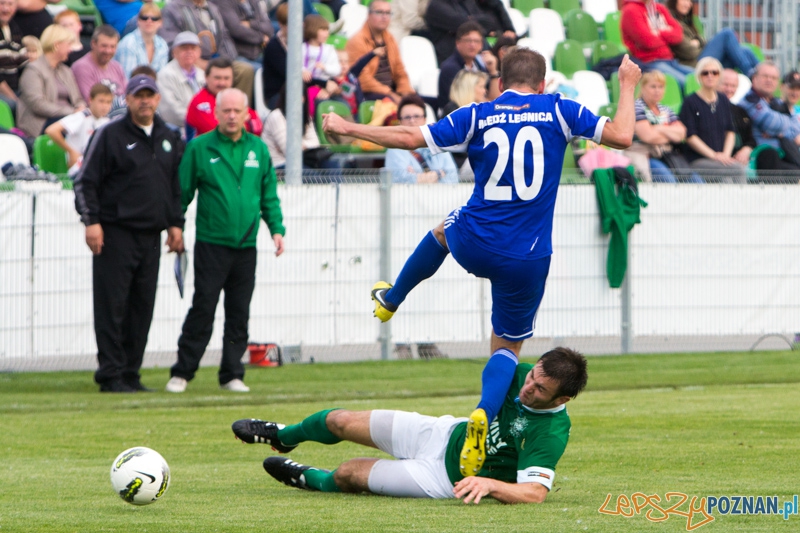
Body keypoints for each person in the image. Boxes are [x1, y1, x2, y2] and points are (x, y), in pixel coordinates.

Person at [322, 48, 640, 477]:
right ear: (542, 83)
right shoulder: (561, 110)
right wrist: (627, 83)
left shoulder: (478, 114)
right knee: (506, 347)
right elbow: (622, 135)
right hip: (526, 256)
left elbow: (410, 138)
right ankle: (484, 415)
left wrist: (346, 125)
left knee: (441, 232)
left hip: (475, 238)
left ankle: (392, 299)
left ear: (500, 82)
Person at [231, 347, 588, 503]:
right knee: (338, 420)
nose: (528, 387)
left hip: (445, 479)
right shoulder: (527, 374)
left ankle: (308, 478)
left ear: (562, 400)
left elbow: (534, 494)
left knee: (348, 474)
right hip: (442, 432)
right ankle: (283, 436)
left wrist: (489, 484)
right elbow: (501, 357)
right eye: (532, 376)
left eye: (540, 389)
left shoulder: (550, 433)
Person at [165, 88, 285, 394]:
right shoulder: (199, 148)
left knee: (239, 311)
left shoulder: (258, 148)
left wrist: (277, 229)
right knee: (203, 308)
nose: (231, 116)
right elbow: (182, 192)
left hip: (246, 246)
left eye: (237, 111)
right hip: (211, 243)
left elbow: (268, 195)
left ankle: (232, 373)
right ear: (216, 113)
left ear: (247, 114)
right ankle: (182, 372)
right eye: (226, 111)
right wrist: (174, 227)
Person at [73, 74, 185, 393]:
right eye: (139, 96)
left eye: (150, 95)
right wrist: (91, 221)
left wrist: (176, 224)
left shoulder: (169, 136)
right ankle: (111, 373)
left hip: (151, 235)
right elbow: (86, 182)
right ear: (128, 99)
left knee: (141, 307)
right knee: (112, 305)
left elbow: (175, 187)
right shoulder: (109, 134)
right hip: (115, 232)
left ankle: (131, 372)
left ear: (158, 99)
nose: (145, 101)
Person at [159, 0, 255, 99]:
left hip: (217, 60)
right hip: (191, 62)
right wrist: (197, 62)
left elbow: (224, 38)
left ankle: (235, 108)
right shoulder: (172, 8)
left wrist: (224, 61)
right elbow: (171, 43)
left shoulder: (213, 8)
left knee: (245, 70)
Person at [678, 57, 747, 183]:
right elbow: (690, 137)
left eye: (714, 72)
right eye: (705, 73)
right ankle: (741, 202)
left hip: (720, 158)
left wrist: (725, 155)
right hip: (698, 159)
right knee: (738, 170)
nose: (710, 76)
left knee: (729, 177)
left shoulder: (723, 99)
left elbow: (730, 131)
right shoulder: (690, 102)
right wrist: (715, 156)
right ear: (699, 76)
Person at [628, 70, 701, 183]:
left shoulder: (665, 109)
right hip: (647, 156)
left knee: (696, 181)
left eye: (660, 87)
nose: (657, 91)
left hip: (667, 155)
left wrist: (658, 128)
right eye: (653, 87)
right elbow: (647, 137)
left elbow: (681, 134)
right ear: (643, 88)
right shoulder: (637, 107)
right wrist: (669, 132)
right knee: (669, 182)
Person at [16, 24, 86, 138]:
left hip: (69, 118)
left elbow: (77, 98)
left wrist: (81, 109)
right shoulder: (33, 70)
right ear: (57, 45)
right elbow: (38, 104)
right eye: (68, 44)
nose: (70, 49)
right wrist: (71, 112)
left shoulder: (66, 71)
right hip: (42, 123)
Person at [738, 62, 800, 181]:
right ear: (754, 78)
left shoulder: (775, 102)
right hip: (759, 156)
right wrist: (781, 130)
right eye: (765, 76)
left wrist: (777, 132)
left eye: (773, 78)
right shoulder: (749, 100)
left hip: (782, 153)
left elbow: (796, 128)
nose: (769, 80)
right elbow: (771, 122)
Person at [344, 0, 414, 104]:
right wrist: (390, 94)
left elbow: (400, 71)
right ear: (368, 15)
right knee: (393, 103)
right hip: (369, 93)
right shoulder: (357, 41)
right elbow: (362, 79)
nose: (384, 17)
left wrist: (406, 92)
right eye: (379, 12)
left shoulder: (390, 38)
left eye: (388, 13)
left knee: (418, 102)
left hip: (390, 90)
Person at [666, 0, 758, 75]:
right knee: (727, 33)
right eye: (684, 0)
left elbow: (703, 41)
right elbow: (690, 52)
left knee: (745, 50)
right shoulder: (670, 22)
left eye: (690, 1)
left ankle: (762, 75)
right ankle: (750, 74)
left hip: (700, 57)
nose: (688, 4)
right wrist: (699, 44)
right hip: (693, 65)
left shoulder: (687, 21)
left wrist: (697, 42)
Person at [620, 0, 694, 88]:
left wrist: (658, 33)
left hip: (670, 61)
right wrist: (667, 32)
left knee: (700, 77)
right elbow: (648, 41)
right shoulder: (630, 10)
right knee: (687, 83)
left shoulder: (659, 8)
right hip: (650, 63)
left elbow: (678, 35)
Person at [44, 82, 113, 176]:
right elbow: (51, 130)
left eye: (108, 102)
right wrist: (71, 151)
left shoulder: (107, 121)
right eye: (101, 101)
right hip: (79, 169)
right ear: (90, 100)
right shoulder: (81, 116)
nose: (105, 106)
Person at [185, 57, 262, 138]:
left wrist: (237, 127)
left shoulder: (234, 98)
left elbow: (258, 126)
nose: (222, 83)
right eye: (217, 78)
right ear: (206, 78)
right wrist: (244, 124)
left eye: (226, 78)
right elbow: (217, 131)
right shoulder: (199, 102)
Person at [436, 21, 500, 113]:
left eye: (476, 41)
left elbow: (494, 100)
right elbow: (459, 102)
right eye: (468, 41)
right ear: (458, 43)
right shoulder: (449, 68)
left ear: (482, 45)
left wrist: (493, 71)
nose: (472, 45)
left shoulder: (479, 65)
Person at [424, 0, 515, 64]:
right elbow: (461, 24)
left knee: (506, 47)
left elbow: (489, 21)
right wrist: (471, 20)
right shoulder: (436, 5)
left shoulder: (467, 2)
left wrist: (470, 20)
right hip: (452, 57)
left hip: (479, 56)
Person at [157, 31, 206, 132]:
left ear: (199, 53)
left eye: (193, 48)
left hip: (202, 125)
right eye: (184, 48)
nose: (189, 52)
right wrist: (201, 120)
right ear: (174, 53)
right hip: (177, 129)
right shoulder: (165, 75)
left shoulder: (202, 74)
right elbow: (170, 112)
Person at [210, 0, 274, 72]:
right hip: (239, 55)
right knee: (264, 72)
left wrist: (250, 24)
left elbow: (269, 28)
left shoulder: (253, 2)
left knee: (282, 67)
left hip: (259, 53)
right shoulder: (223, 2)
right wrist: (261, 38)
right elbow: (236, 29)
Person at [71, 25, 128, 105]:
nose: (108, 51)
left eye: (112, 47)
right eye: (104, 46)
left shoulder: (117, 66)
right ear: (93, 43)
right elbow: (92, 101)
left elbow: (128, 95)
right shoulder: (82, 67)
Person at [114, 3, 169, 77]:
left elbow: (162, 78)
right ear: (138, 20)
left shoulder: (162, 44)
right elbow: (128, 80)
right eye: (144, 18)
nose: (149, 21)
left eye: (154, 18)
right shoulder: (128, 43)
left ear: (160, 22)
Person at [718, 68, 755, 166]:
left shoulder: (741, 111)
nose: (729, 89)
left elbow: (750, 139)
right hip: (718, 158)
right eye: (726, 85)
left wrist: (746, 149)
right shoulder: (707, 108)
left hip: (739, 159)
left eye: (733, 86)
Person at [0, 0, 27, 114]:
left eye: (10, 4)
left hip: (15, 88)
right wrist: (12, 96)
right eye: (2, 3)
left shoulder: (15, 28)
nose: (6, 9)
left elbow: (23, 63)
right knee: (15, 106)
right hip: (4, 92)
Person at [261, 1, 287, 108]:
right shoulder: (274, 46)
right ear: (281, 24)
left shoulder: (303, 44)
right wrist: (323, 83)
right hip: (276, 96)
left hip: (298, 92)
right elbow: (291, 74)